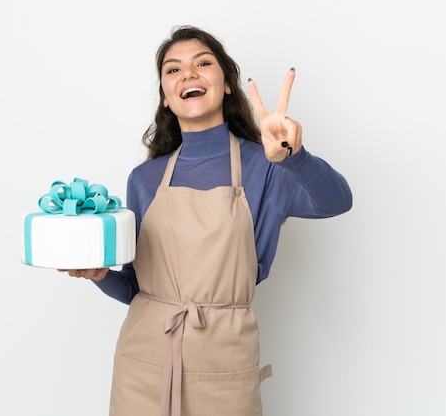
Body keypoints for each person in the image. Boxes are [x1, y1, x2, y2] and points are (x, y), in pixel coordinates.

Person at [58, 25, 352, 416]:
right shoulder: (144, 179)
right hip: (143, 365)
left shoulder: (267, 166)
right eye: (173, 70)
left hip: (224, 365)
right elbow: (136, 289)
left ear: (227, 84)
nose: (189, 75)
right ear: (165, 96)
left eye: (203, 63)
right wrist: (99, 274)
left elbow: (337, 202)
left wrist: (295, 156)